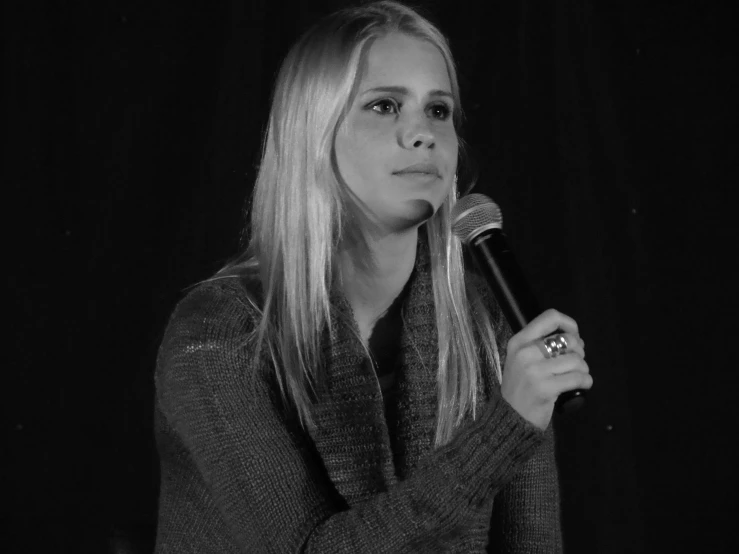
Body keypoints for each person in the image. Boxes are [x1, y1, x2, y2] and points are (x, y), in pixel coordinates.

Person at [153, 1, 592, 552]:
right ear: (313, 134)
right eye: (385, 105)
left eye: (439, 111)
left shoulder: (491, 330)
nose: (423, 134)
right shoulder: (220, 334)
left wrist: (519, 411)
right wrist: (505, 427)